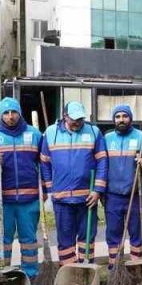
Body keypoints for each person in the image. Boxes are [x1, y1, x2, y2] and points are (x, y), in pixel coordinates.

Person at [41, 101, 107, 268]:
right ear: (65, 116)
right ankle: (69, 272)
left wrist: (98, 190)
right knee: (65, 239)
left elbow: (102, 161)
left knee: (87, 237)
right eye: (74, 119)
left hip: (87, 197)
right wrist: (50, 189)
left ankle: (86, 269)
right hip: (61, 198)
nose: (78, 122)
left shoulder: (93, 131)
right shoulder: (50, 133)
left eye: (81, 119)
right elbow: (44, 163)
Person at [0, 97, 42, 281]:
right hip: (3, 200)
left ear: (19, 113)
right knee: (3, 239)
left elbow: (45, 163)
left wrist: (46, 190)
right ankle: (3, 272)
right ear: (0, 115)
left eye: (13, 112)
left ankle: (30, 274)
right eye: (6, 113)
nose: (10, 116)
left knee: (29, 239)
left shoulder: (35, 135)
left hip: (29, 198)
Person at [104, 105, 142, 270]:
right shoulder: (107, 138)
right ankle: (115, 269)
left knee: (136, 232)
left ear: (130, 118)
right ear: (114, 119)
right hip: (112, 195)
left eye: (125, 116)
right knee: (113, 233)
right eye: (117, 116)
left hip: (135, 193)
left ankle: (136, 267)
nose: (121, 119)